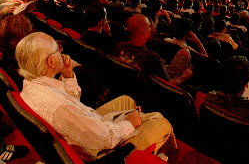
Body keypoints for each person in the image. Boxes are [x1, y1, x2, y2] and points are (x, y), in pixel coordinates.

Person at [16, 32, 176, 161]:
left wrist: (68, 75)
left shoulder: (30, 85)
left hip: (85, 127)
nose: (61, 52)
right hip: (98, 150)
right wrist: (130, 123)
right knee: (160, 121)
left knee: (127, 100)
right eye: (57, 49)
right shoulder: (60, 108)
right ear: (51, 62)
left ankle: (141, 126)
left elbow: (72, 102)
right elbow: (106, 138)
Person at [114, 14, 192, 86]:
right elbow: (167, 85)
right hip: (149, 91)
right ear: (146, 32)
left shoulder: (118, 46)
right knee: (185, 52)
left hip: (126, 86)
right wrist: (184, 76)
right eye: (149, 27)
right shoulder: (152, 59)